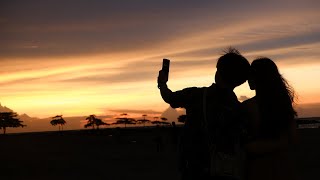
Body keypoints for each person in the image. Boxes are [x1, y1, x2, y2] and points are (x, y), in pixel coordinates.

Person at [158, 47, 250, 180]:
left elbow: (169, 97)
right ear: (240, 81)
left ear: (218, 74)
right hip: (224, 167)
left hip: (194, 165)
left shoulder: (196, 95)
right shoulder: (239, 108)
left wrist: (162, 83)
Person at [241, 58, 298, 180]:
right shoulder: (283, 104)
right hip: (283, 166)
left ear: (259, 78)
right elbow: (292, 138)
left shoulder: (248, 107)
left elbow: (245, 145)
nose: (247, 79)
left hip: (258, 168)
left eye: (251, 75)